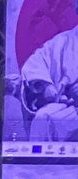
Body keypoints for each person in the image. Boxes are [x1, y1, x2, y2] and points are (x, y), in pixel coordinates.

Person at [21, 5, 78, 141]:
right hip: (70, 108)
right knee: (44, 118)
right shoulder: (62, 42)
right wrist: (47, 87)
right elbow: (36, 64)